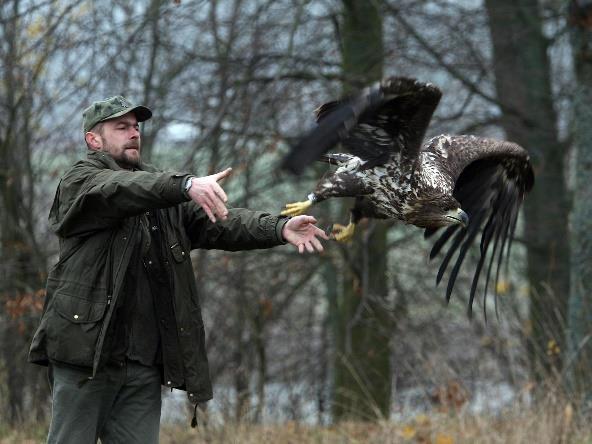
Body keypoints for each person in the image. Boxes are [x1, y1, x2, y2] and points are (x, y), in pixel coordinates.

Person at [28, 96, 328, 444]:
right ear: (94, 140)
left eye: (136, 127)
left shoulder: (160, 190)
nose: (133, 134)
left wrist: (278, 228)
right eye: (121, 127)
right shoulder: (81, 182)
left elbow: (221, 222)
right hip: (86, 360)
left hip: (142, 365)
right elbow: (118, 190)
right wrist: (184, 185)